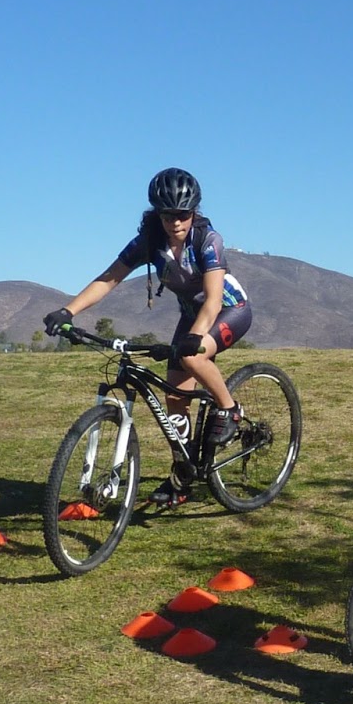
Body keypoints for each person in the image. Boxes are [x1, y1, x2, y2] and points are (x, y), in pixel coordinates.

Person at [42, 168, 253, 507]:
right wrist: (68, 311)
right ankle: (182, 476)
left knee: (191, 356)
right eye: (168, 215)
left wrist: (195, 336)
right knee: (175, 402)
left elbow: (213, 299)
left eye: (183, 214)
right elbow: (109, 279)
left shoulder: (207, 239)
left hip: (229, 310)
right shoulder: (148, 241)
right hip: (191, 315)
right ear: (158, 212)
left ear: (194, 212)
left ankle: (230, 409)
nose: (176, 222)